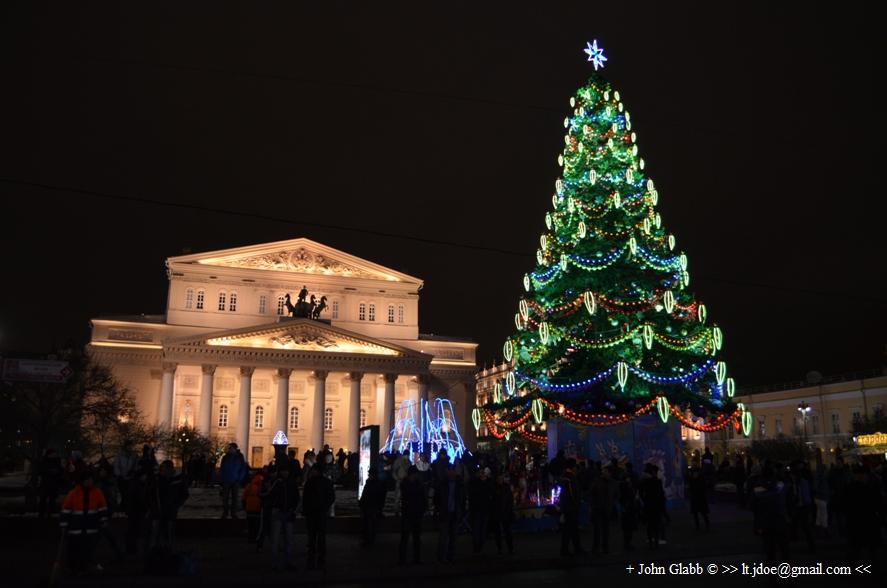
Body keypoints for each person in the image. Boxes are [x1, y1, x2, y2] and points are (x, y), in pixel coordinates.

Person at [60, 469, 108, 575]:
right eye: (88, 480)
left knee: (87, 549)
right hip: (76, 527)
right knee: (73, 549)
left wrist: (103, 520)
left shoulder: (97, 493)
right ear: (83, 481)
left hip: (90, 526)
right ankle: (73, 567)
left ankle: (83, 567)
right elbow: (66, 509)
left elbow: (102, 508)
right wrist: (64, 525)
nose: (90, 482)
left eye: (91, 480)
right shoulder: (73, 493)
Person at [751, 464, 790, 563]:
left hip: (766, 521)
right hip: (779, 518)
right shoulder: (780, 486)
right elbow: (787, 494)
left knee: (770, 549)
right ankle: (786, 570)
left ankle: (772, 573)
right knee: (783, 547)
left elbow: (754, 506)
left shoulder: (758, 488)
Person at [147, 460, 188, 553]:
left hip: (169, 510)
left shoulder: (177, 480)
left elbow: (184, 494)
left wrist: (176, 504)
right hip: (158, 510)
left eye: (164, 470)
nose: (163, 472)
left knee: (167, 534)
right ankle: (154, 554)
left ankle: (167, 553)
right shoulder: (158, 479)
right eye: (162, 470)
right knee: (156, 534)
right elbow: (150, 493)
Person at [265, 463, 300, 571]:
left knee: (288, 540)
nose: (285, 473)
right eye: (283, 471)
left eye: (286, 471)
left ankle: (288, 562)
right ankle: (274, 564)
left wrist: (293, 509)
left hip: (288, 512)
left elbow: (297, 497)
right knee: (276, 540)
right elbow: (269, 496)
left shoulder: (291, 483)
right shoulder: (277, 482)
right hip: (278, 512)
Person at [302, 463, 335, 570]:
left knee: (312, 536)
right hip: (321, 513)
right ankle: (321, 557)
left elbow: (305, 498)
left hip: (311, 513)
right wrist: (325, 507)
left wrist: (305, 510)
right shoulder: (327, 482)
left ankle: (311, 557)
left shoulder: (310, 482)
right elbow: (331, 497)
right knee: (321, 536)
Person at [435, 466, 463, 563]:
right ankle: (443, 557)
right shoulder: (444, 483)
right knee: (444, 537)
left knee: (452, 537)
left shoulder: (457, 484)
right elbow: (437, 498)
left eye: (453, 471)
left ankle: (449, 556)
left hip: (453, 512)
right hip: (446, 512)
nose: (452, 473)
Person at [398, 465, 426, 564]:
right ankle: (410, 559)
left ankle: (408, 559)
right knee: (411, 538)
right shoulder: (414, 484)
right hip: (411, 513)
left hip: (412, 513)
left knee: (412, 538)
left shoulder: (407, 484)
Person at [559, 459, 585, 556]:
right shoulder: (569, 478)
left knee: (572, 529)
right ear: (573, 466)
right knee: (569, 529)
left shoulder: (566, 477)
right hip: (570, 507)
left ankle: (575, 548)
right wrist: (575, 503)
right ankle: (566, 550)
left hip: (569, 507)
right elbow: (571, 494)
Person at [590, 464, 617, 553]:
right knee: (598, 529)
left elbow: (615, 495)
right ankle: (597, 547)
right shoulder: (599, 481)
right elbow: (592, 493)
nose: (603, 472)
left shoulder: (610, 483)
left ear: (609, 473)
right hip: (599, 507)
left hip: (605, 507)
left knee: (605, 529)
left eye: (605, 471)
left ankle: (604, 547)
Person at [638, 463, 665, 549]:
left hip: (649, 505)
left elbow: (641, 493)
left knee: (650, 524)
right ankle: (656, 540)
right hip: (656, 505)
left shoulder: (646, 482)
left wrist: (644, 500)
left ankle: (651, 541)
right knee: (656, 524)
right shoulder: (657, 482)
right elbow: (661, 494)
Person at [468, 467, 494, 553]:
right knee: (478, 529)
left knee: (481, 529)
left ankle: (479, 546)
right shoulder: (476, 483)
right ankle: (477, 546)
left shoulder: (485, 483)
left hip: (482, 509)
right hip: (478, 509)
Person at [359, 467, 385, 546]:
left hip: (370, 506)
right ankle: (369, 539)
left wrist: (362, 503)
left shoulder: (371, 483)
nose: (368, 475)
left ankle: (368, 540)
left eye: (369, 474)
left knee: (369, 524)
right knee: (371, 524)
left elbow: (365, 494)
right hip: (371, 506)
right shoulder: (376, 483)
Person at [219, 443, 246, 519]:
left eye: (230, 448)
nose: (229, 449)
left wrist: (239, 478)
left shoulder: (239, 457)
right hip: (226, 480)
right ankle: (225, 512)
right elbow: (222, 468)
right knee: (225, 498)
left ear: (235, 449)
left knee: (235, 498)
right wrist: (222, 479)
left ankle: (233, 513)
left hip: (235, 481)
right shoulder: (225, 457)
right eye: (229, 448)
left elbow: (243, 469)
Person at [491, 472, 515, 555]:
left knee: (507, 532)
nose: (500, 480)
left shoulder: (505, 487)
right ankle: (501, 548)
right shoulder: (495, 488)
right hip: (498, 512)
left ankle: (509, 548)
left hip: (504, 512)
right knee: (500, 533)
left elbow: (510, 500)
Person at [37, 448, 64, 517]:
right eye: (53, 454)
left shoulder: (57, 461)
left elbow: (61, 471)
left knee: (52, 500)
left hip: (53, 484)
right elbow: (41, 471)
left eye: (54, 454)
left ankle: (49, 513)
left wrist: (57, 472)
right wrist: (50, 472)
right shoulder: (44, 461)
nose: (54, 455)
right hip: (46, 483)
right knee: (43, 499)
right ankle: (42, 513)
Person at [618, 467, 639, 551]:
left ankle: (627, 544)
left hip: (626, 510)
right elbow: (629, 497)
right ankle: (627, 544)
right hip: (628, 510)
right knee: (628, 528)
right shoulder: (626, 487)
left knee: (627, 529)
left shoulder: (623, 486)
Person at [113, 441, 138, 511]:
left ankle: (128, 508)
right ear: (125, 446)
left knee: (129, 494)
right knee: (122, 494)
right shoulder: (120, 455)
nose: (130, 447)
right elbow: (116, 466)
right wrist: (119, 475)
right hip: (121, 479)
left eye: (131, 446)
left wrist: (133, 472)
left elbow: (136, 466)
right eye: (128, 446)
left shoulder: (134, 456)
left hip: (130, 479)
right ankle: (121, 508)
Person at [243, 468, 265, 544]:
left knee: (250, 524)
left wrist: (244, 505)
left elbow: (244, 496)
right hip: (258, 506)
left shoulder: (250, 484)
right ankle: (256, 538)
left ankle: (250, 538)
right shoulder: (263, 483)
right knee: (257, 525)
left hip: (249, 506)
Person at [688, 466, 710, 531]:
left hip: (700, 498)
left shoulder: (700, 479)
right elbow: (691, 488)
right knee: (696, 513)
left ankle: (706, 524)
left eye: (695, 473)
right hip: (696, 498)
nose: (695, 474)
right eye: (694, 473)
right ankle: (698, 525)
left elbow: (703, 489)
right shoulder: (693, 479)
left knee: (703, 513)